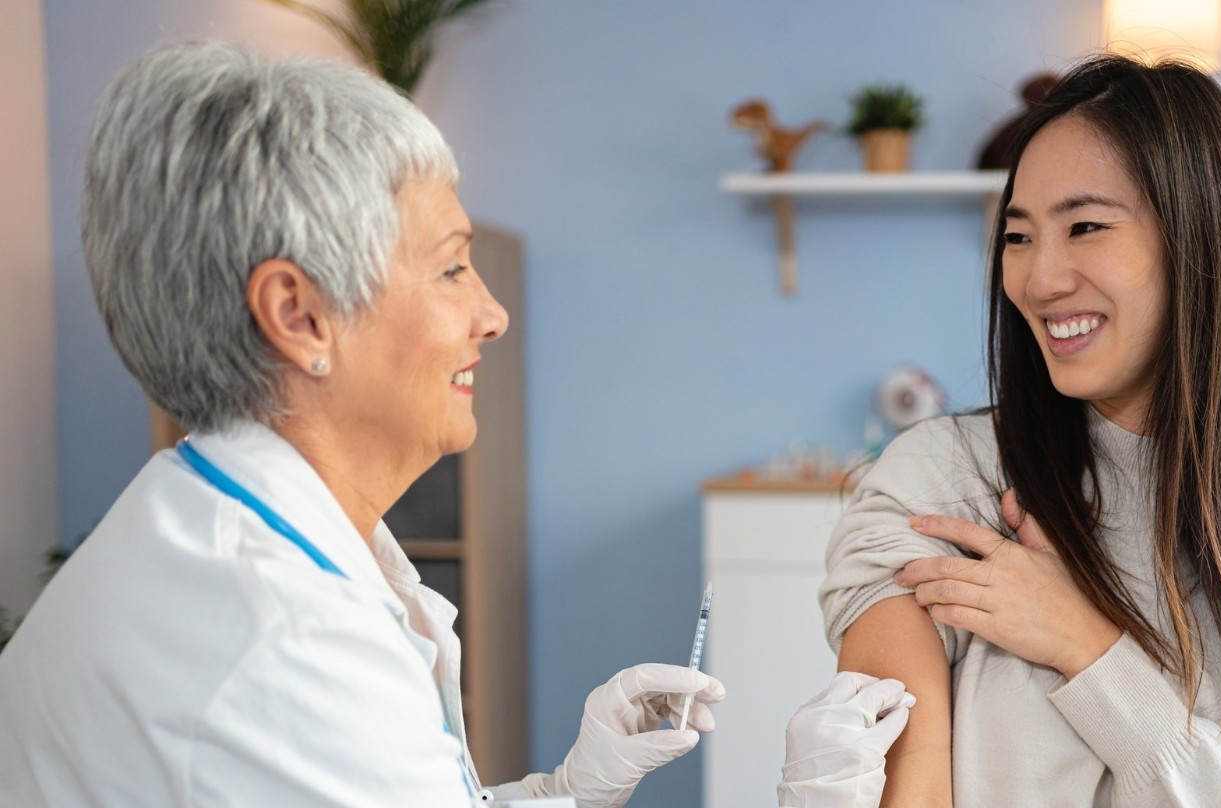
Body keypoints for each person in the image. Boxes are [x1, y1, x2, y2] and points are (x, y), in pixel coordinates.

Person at [0, 42, 911, 807]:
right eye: (449, 270)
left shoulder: (226, 534)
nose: (492, 314)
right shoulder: (282, 644)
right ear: (300, 315)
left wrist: (568, 791)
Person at [821, 55, 1221, 807]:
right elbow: (903, 780)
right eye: (1018, 235)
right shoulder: (943, 478)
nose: (1038, 279)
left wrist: (1086, 647)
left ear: (1200, 238)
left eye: (1085, 226)